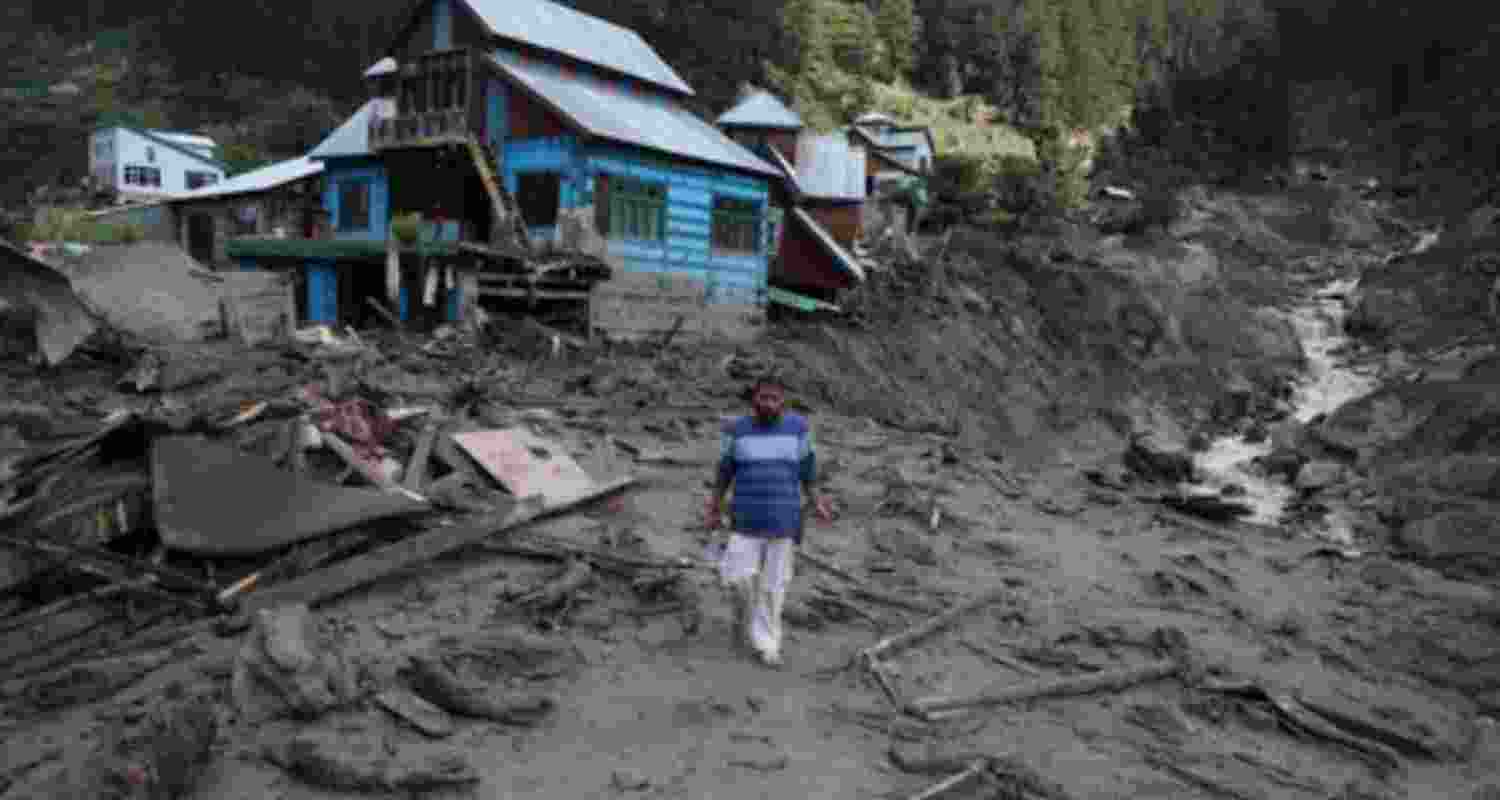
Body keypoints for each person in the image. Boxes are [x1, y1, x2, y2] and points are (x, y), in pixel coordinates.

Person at [706, 376, 833, 667]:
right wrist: (714, 508)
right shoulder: (735, 431)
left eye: (774, 399)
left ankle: (767, 645)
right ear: (754, 400)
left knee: (774, 586)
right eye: (763, 398)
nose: (768, 403)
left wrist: (817, 502)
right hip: (745, 518)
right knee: (736, 578)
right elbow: (723, 473)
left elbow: (808, 472)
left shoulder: (798, 429)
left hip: (784, 519)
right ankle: (743, 621)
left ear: (783, 402)